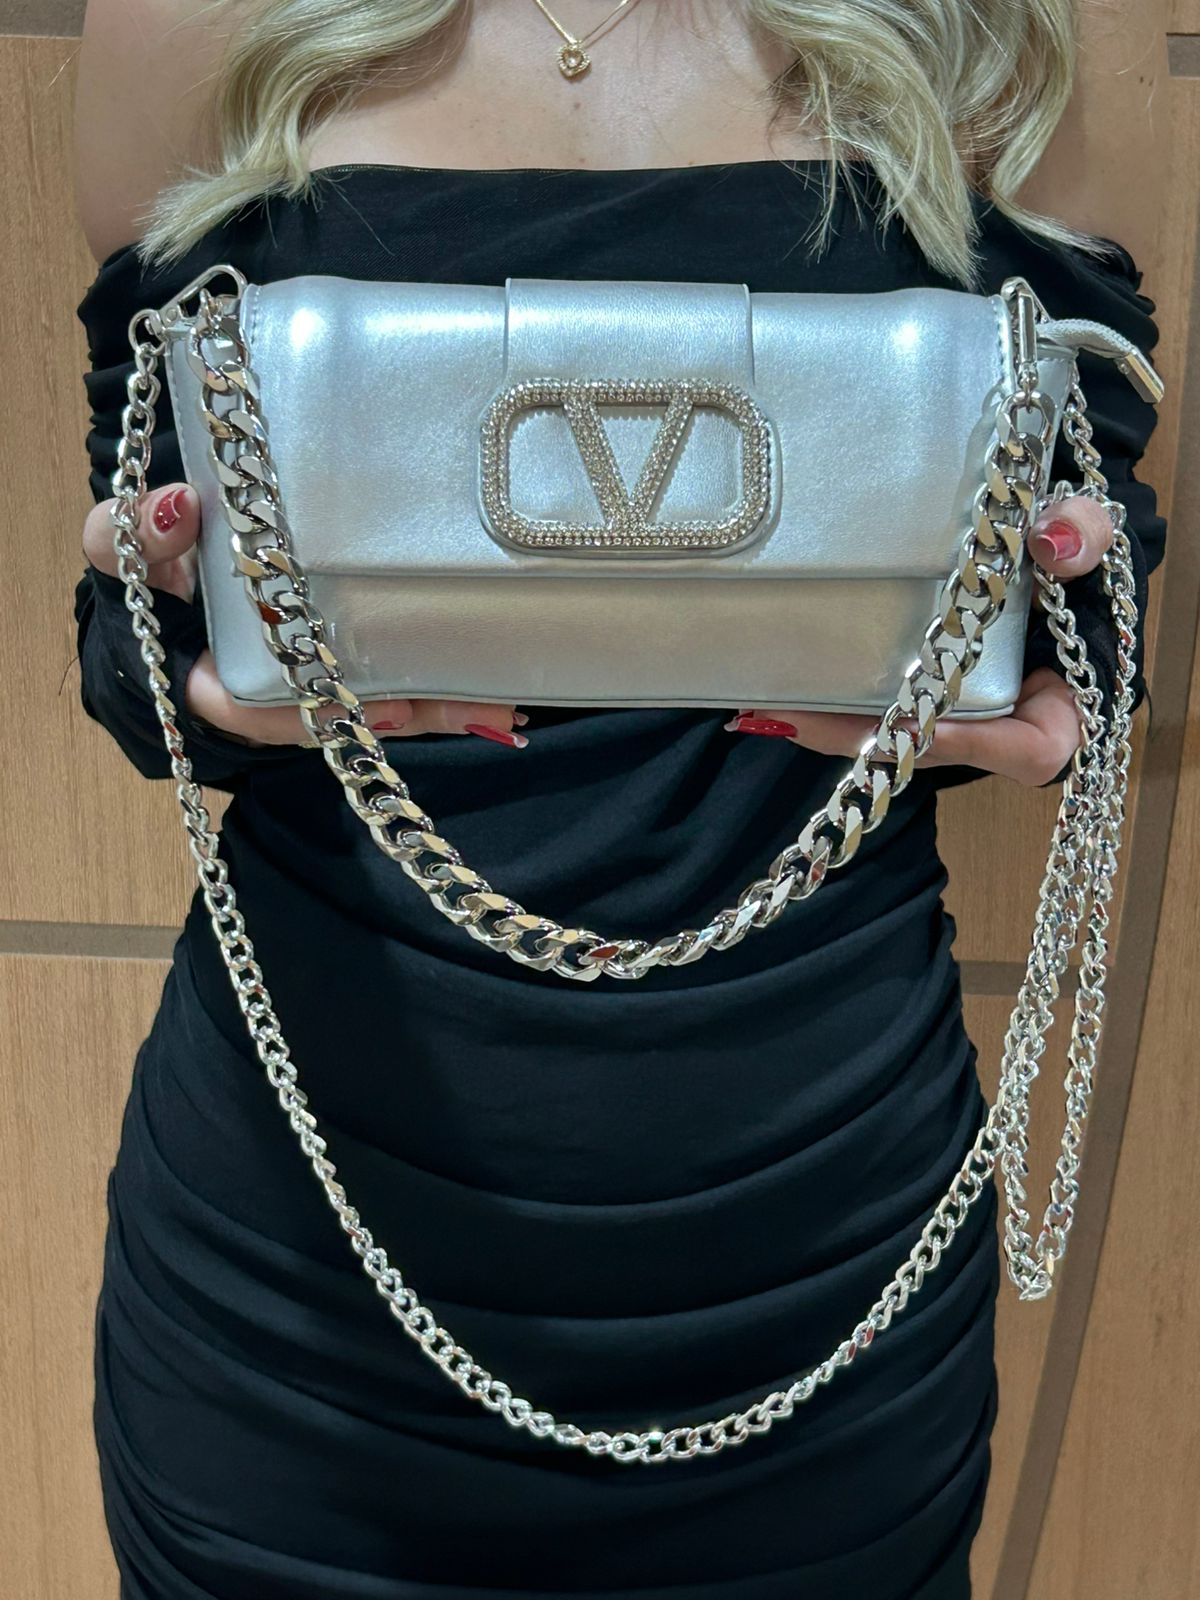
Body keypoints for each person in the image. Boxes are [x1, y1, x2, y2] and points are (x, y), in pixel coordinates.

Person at [71, 2, 1167, 1595]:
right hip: (300, 1264)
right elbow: (138, 602)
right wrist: (175, 641)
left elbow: (1100, 563)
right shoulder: (194, 16)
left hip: (823, 1253)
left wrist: (1058, 655)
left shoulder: (1003, 21)